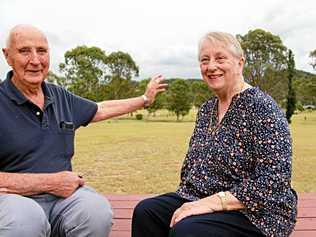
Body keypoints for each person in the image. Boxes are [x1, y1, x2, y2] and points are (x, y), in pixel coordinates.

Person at [0, 24, 167, 237]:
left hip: (64, 199)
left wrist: (144, 100)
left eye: (41, 51)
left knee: (95, 212)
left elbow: (101, 109)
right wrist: (50, 182)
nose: (35, 60)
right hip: (14, 200)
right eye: (24, 51)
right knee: (25, 220)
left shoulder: (60, 97)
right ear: (7, 56)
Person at [132, 32, 297, 237]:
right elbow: (192, 167)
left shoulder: (263, 108)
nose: (211, 66)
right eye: (204, 60)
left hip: (255, 212)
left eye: (220, 58)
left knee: (187, 230)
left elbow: (274, 181)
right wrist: (194, 202)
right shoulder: (207, 109)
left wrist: (211, 203)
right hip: (201, 197)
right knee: (147, 212)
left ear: (240, 63)